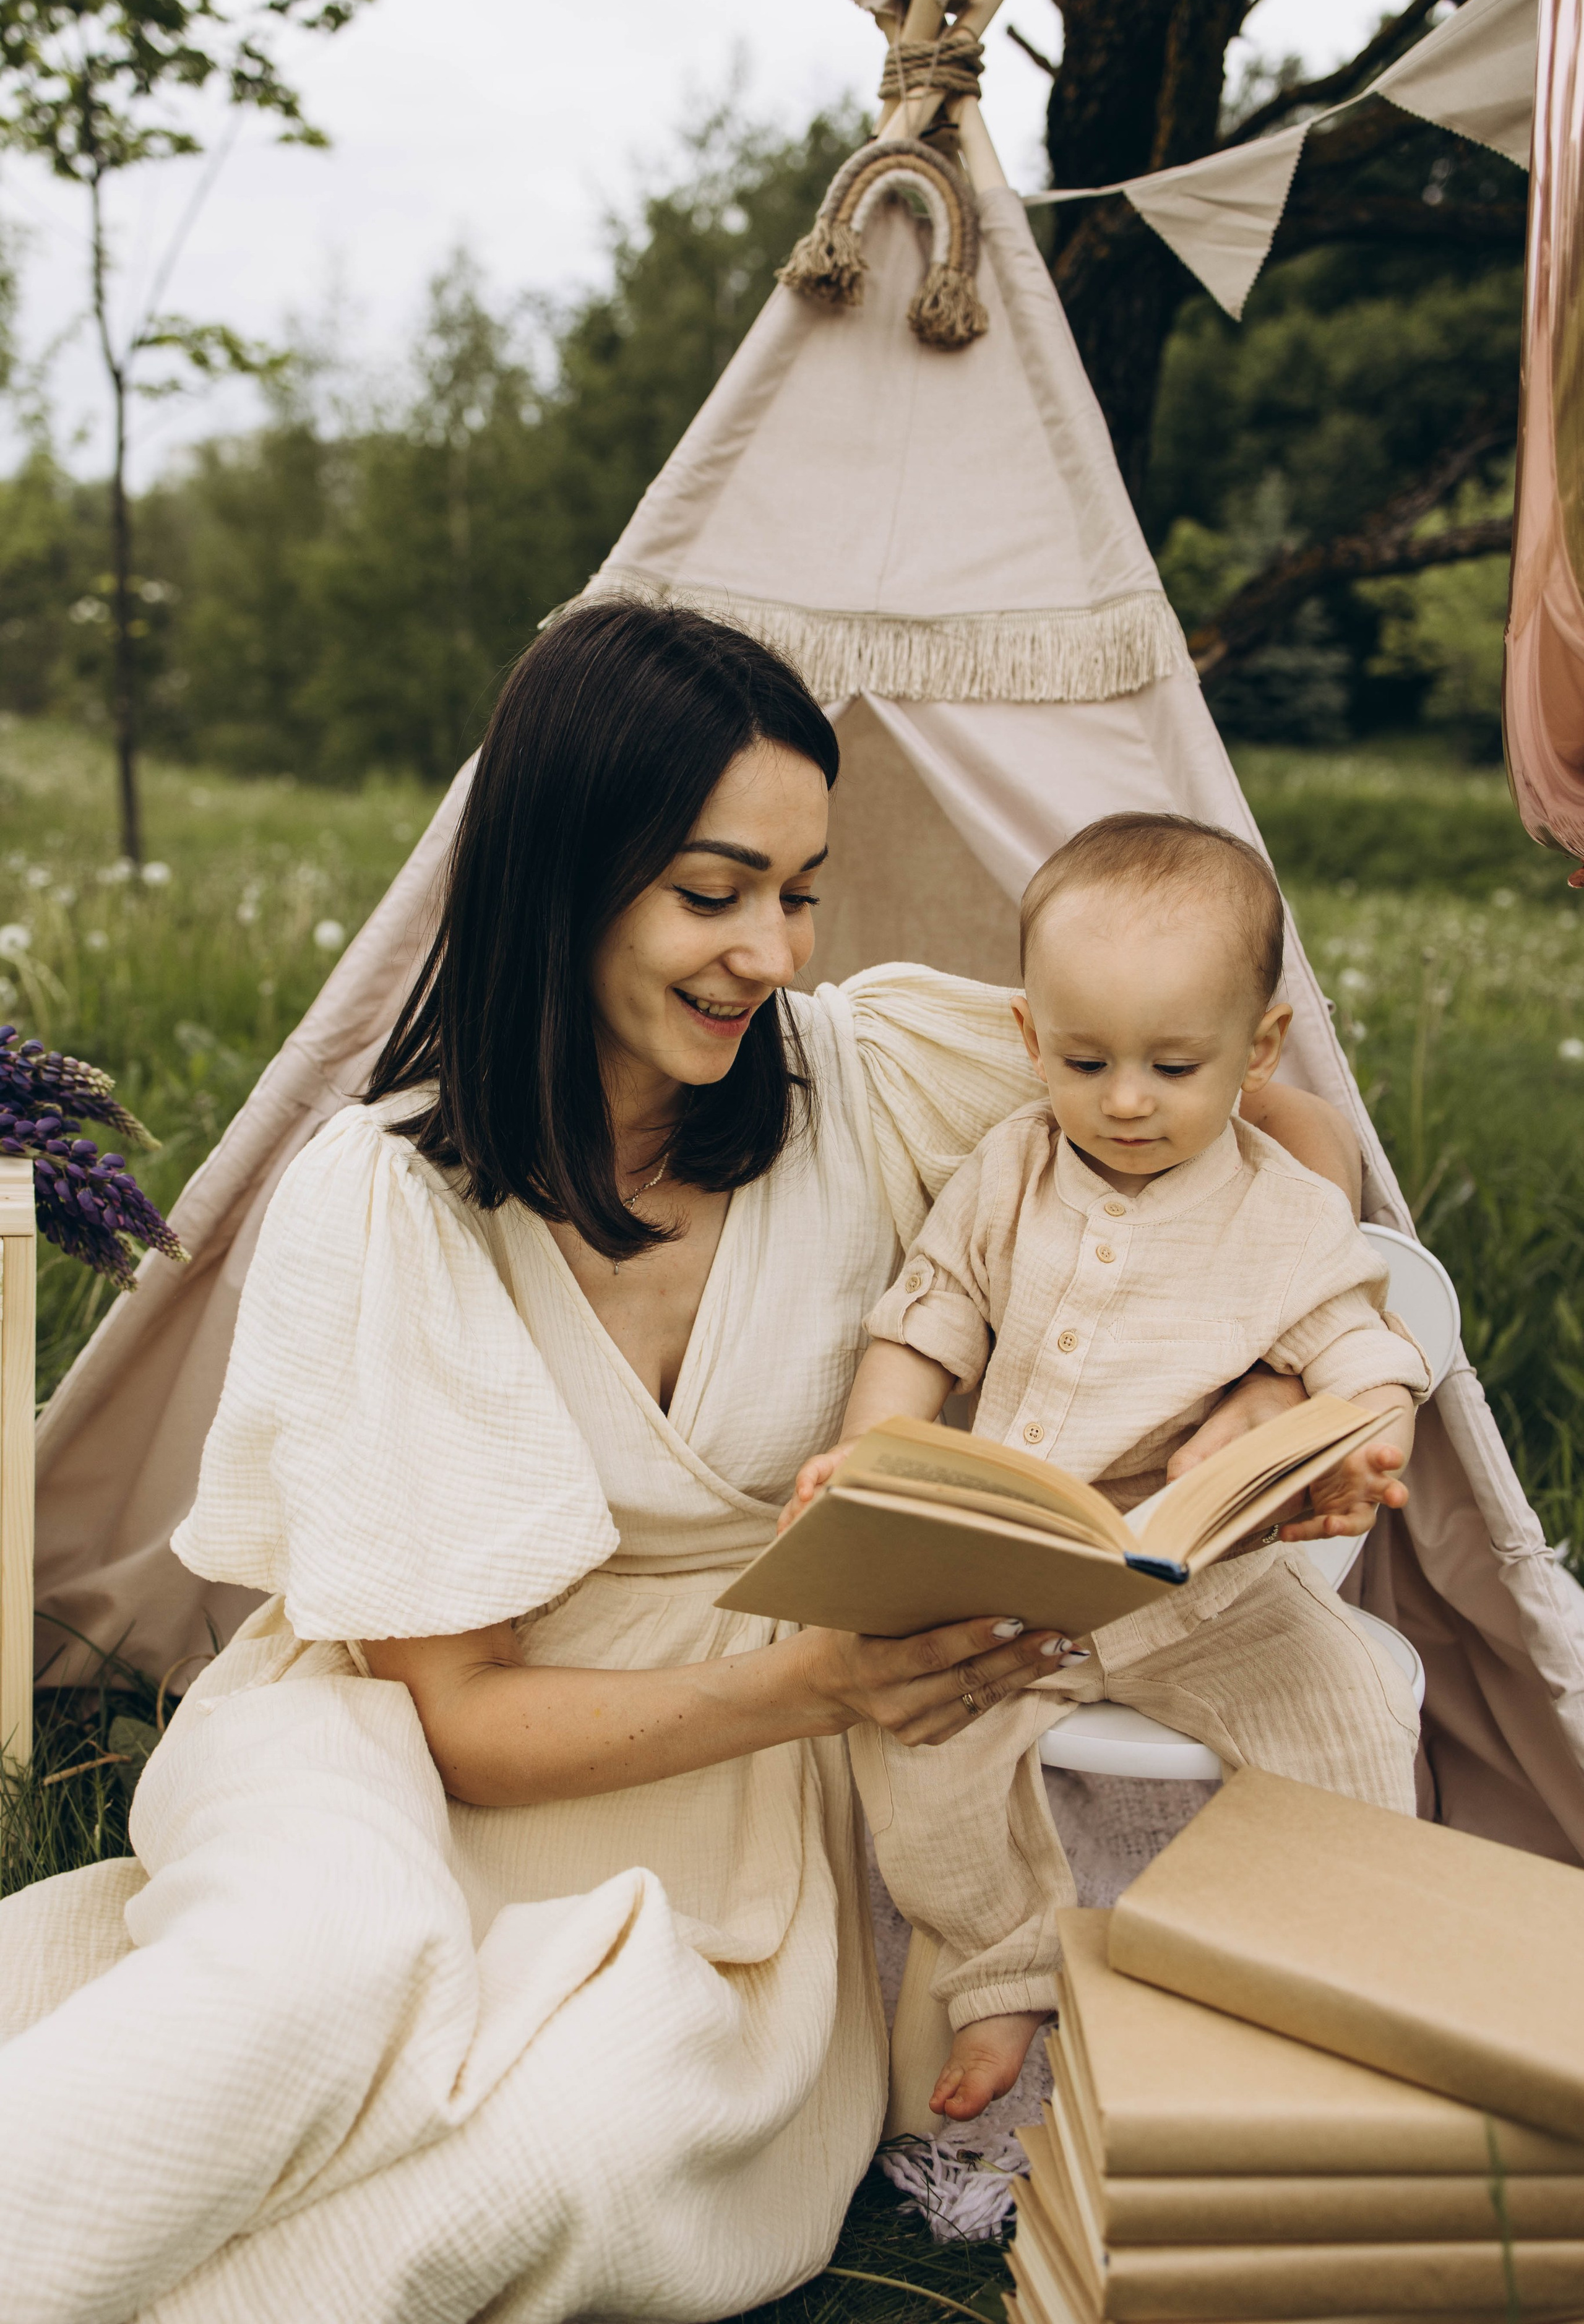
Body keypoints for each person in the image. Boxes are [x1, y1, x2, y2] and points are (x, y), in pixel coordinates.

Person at [0, 608, 1373, 2324]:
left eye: (800, 891)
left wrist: (1248, 1382)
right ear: (566, 875)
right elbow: (465, 1720)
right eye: (713, 893)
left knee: (586, 2144)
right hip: (407, 1741)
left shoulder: (860, 1074)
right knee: (311, 1978)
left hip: (734, 1818)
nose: (773, 952)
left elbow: (1274, 1134)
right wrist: (825, 1682)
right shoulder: (381, 1199)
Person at [783, 813, 1429, 2133]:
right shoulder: (1006, 1176)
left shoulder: (1277, 1208)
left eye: (1171, 1066)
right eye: (1084, 1061)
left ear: (1255, 1052)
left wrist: (1362, 1449)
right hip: (1022, 1582)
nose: (1124, 1100)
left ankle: (1337, 1962)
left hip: (1211, 1589)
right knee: (918, 1751)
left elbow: (1366, 1347)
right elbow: (926, 1319)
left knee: (1354, 1702)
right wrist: (872, 1454)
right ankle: (1002, 1961)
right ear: (1031, 1042)